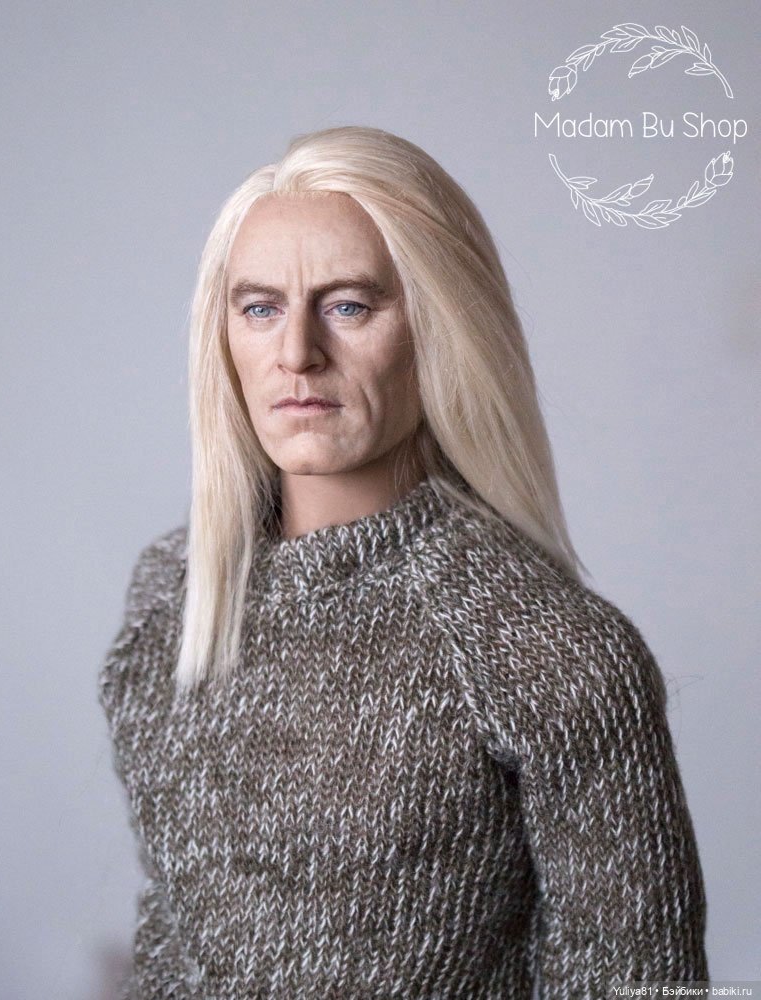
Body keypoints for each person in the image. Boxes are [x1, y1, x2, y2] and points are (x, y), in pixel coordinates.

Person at [98, 125, 709, 999]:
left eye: (348, 306)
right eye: (260, 308)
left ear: (439, 326)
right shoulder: (175, 591)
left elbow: (636, 981)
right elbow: (170, 928)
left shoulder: (546, 650)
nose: (296, 353)